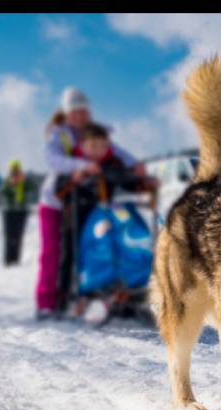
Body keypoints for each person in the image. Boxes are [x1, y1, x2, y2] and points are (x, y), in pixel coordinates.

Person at [34, 86, 145, 320]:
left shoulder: (94, 133)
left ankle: (91, 293)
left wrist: (135, 166)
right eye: (75, 111)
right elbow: (53, 159)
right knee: (54, 252)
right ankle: (47, 303)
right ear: (66, 113)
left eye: (84, 111)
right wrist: (81, 167)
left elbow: (118, 152)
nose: (80, 116)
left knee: (88, 246)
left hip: (84, 199)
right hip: (56, 201)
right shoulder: (60, 134)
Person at [0, 159, 36, 266]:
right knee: (9, 236)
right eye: (13, 170)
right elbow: (2, 191)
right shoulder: (6, 181)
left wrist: (24, 179)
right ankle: (7, 261)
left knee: (18, 236)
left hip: (21, 212)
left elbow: (34, 187)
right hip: (9, 212)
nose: (15, 173)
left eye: (17, 170)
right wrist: (10, 184)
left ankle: (16, 260)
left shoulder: (24, 182)